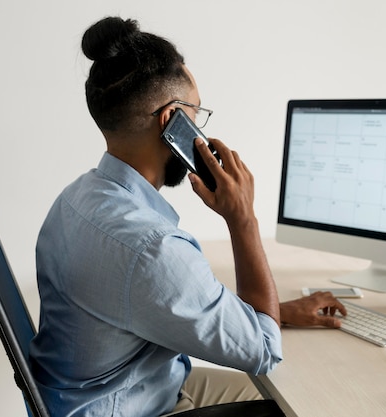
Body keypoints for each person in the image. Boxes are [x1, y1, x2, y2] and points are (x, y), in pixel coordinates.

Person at [29, 16, 346, 417]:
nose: (199, 130)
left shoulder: (75, 199)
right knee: (309, 403)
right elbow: (264, 351)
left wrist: (274, 312)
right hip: (136, 407)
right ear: (171, 120)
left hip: (111, 393)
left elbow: (150, 302)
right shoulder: (152, 248)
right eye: (196, 115)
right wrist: (242, 218)